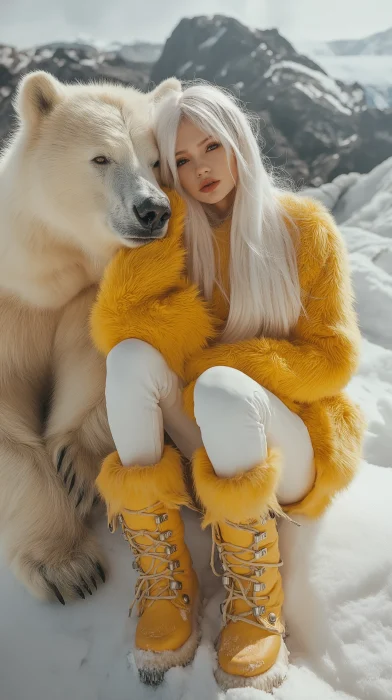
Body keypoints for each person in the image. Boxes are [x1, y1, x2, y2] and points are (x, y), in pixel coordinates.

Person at [90, 81, 365, 691]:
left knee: (218, 385)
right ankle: (166, 578)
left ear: (240, 142)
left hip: (288, 447)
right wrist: (169, 227)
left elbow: (333, 358)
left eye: (212, 146)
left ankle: (255, 597)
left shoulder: (302, 227)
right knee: (133, 358)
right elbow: (118, 329)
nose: (201, 168)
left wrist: (233, 367)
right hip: (207, 432)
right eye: (181, 160)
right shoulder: (177, 234)